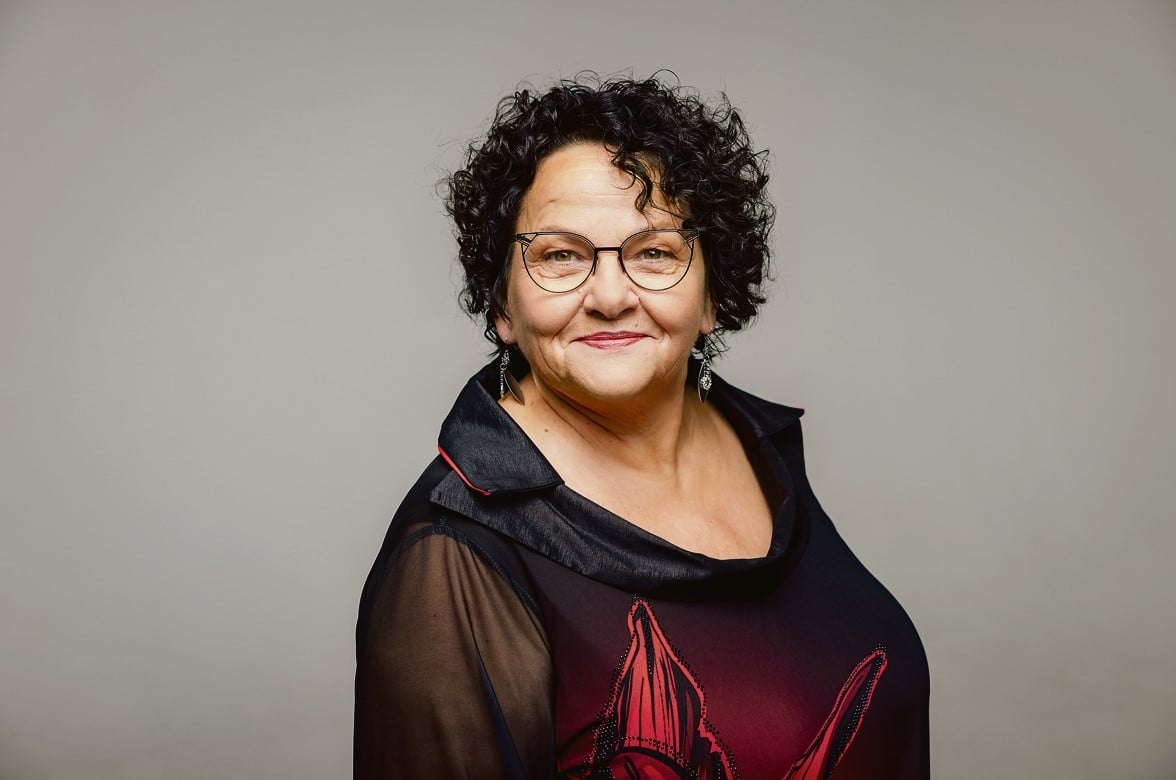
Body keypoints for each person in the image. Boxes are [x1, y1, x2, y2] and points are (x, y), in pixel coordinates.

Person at [354, 74, 929, 779]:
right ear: (502, 304)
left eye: (654, 251)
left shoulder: (763, 446)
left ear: (712, 296)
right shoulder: (451, 559)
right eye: (560, 255)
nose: (610, 294)